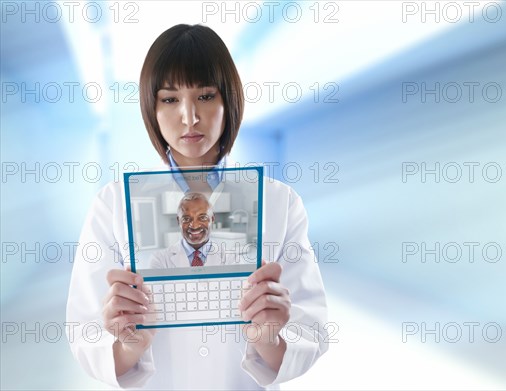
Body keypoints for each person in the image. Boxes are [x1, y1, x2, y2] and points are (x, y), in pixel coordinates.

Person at [66, 24, 328, 389]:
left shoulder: (279, 202)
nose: (189, 117)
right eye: (170, 99)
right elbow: (85, 332)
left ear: (229, 100)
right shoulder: (113, 206)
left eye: (205, 96)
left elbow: (310, 329)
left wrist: (268, 338)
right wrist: (127, 345)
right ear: (151, 108)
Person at [149, 192, 225, 268]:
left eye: (202, 218)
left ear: (212, 219)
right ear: (179, 221)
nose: (194, 226)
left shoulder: (230, 258)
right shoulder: (160, 260)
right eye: (186, 219)